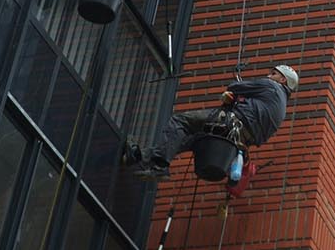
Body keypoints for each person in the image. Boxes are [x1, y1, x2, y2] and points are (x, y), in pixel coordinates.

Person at [125, 64, 298, 179]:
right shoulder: (281, 109)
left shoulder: (271, 86)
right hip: (238, 140)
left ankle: (160, 165)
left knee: (180, 121)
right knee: (192, 140)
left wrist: (236, 95)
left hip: (230, 123)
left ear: (283, 80)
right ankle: (142, 157)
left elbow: (234, 87)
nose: (268, 75)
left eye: (273, 74)